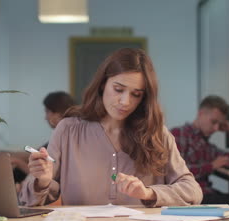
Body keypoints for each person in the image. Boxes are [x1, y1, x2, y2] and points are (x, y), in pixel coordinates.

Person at [18, 48, 203, 207]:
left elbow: (193, 191)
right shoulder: (68, 130)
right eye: (118, 89)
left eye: (136, 94)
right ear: (102, 85)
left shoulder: (156, 134)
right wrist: (42, 181)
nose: (125, 102)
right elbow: (27, 201)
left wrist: (148, 193)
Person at [170, 95, 229, 202]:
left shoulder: (208, 147)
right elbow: (175, 173)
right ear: (201, 114)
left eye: (220, 124)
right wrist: (211, 166)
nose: (216, 128)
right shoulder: (179, 134)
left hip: (207, 193)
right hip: (190, 198)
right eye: (214, 122)